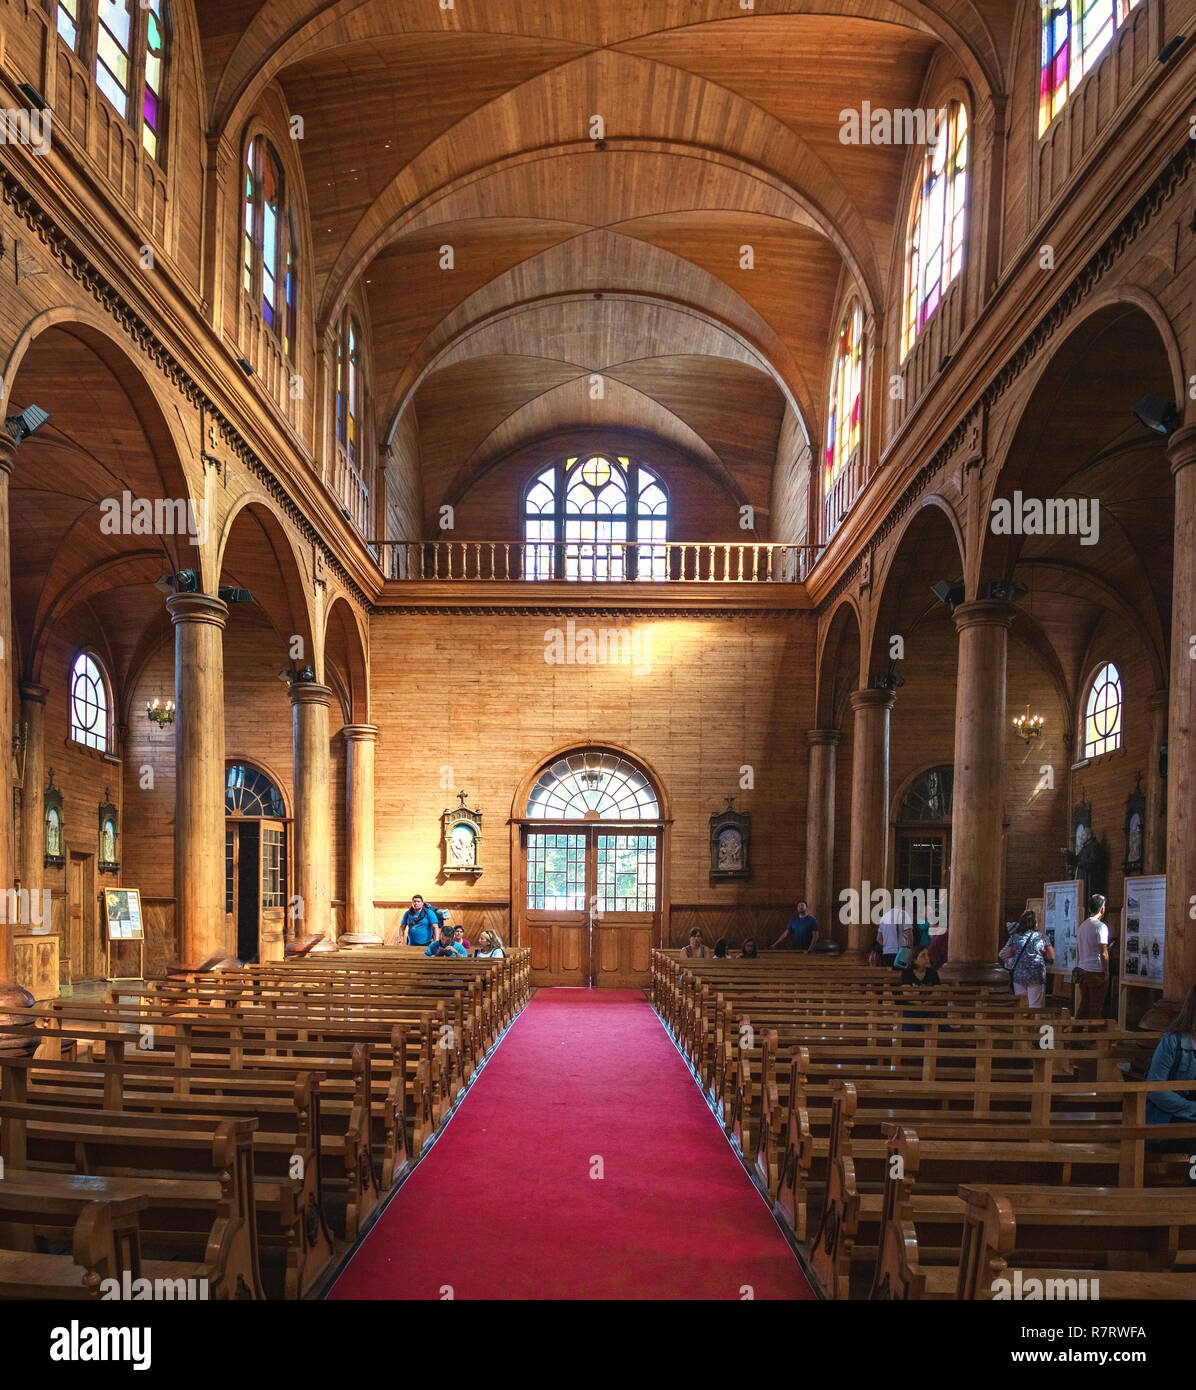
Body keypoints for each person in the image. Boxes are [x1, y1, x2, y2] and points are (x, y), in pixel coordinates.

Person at [1144, 986, 1196, 1153]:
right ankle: (1193, 1178)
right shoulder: (1173, 1042)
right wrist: (1191, 1108)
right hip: (1172, 1115)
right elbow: (1155, 1088)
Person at [1000, 909, 1054, 1009]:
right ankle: (1035, 1024)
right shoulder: (1041, 937)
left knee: (1021, 1004)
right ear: (1034, 923)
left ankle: (1022, 1024)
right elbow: (1051, 955)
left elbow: (1007, 954)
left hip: (1019, 974)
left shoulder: (1015, 937)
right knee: (1035, 1004)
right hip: (1036, 974)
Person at [1075, 893, 1110, 1019]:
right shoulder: (1101, 927)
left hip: (1083, 970)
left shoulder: (1082, 926)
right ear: (1103, 909)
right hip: (1096, 971)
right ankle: (1093, 1036)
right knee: (1096, 1007)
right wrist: (1106, 972)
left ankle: (1076, 1033)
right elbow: (1103, 952)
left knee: (1084, 1005)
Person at [875, 901, 912, 968]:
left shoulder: (884, 917)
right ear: (903, 907)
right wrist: (910, 949)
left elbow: (879, 939)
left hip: (886, 953)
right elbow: (909, 933)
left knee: (889, 975)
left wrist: (887, 947)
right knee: (901, 975)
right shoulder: (904, 914)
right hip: (901, 952)